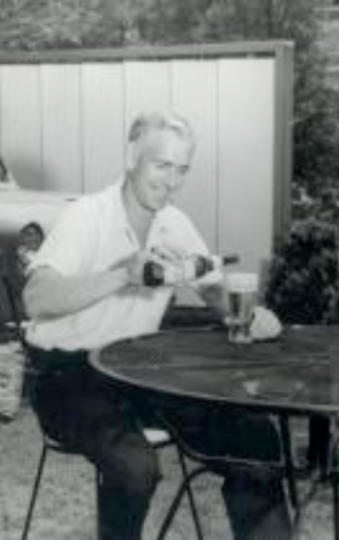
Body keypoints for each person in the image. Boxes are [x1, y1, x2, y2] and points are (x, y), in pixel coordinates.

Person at [21, 111, 292, 540]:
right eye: (162, 165)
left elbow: (213, 290)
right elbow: (36, 298)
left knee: (255, 439)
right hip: (64, 374)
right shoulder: (87, 216)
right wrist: (123, 274)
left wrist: (244, 312)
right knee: (135, 466)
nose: (171, 181)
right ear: (132, 157)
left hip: (135, 370)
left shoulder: (174, 224)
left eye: (182, 169)